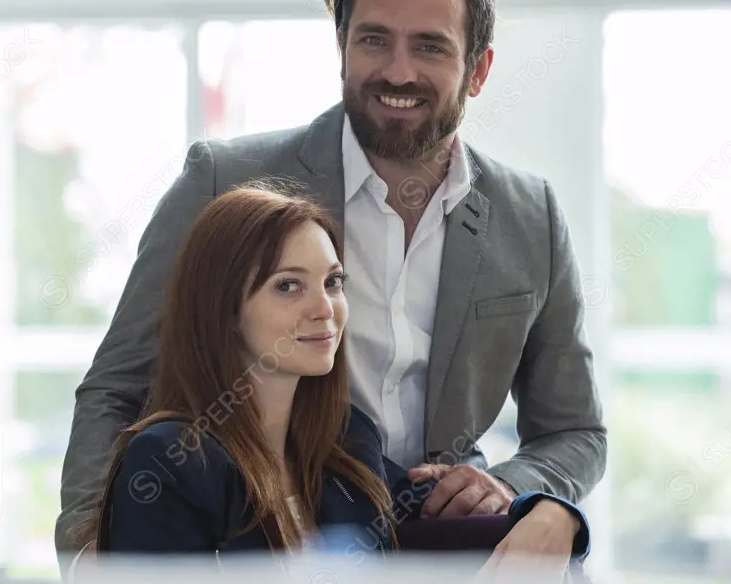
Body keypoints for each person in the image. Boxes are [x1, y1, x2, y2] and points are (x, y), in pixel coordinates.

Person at [57, 0, 606, 575]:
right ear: (342, 47)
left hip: (417, 527)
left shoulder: (529, 215)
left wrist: (521, 487)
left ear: (478, 68)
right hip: (246, 523)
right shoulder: (224, 180)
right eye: (374, 39)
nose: (398, 71)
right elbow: (117, 386)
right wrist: (91, 550)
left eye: (430, 46)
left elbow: (575, 430)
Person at [78, 183, 589, 580]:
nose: (324, 308)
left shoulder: (346, 439)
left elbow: (442, 519)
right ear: (224, 310)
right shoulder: (169, 460)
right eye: (288, 286)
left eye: (333, 282)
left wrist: (551, 513)